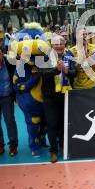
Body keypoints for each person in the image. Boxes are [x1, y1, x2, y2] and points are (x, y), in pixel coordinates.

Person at [38, 35, 76, 163]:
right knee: (51, 123)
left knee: (63, 122)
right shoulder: (45, 56)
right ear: (51, 45)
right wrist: (56, 70)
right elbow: (42, 73)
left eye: (61, 43)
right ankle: (53, 151)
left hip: (65, 95)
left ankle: (63, 146)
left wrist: (66, 72)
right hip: (50, 96)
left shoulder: (69, 55)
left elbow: (74, 72)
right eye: (56, 44)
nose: (59, 46)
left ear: (64, 44)